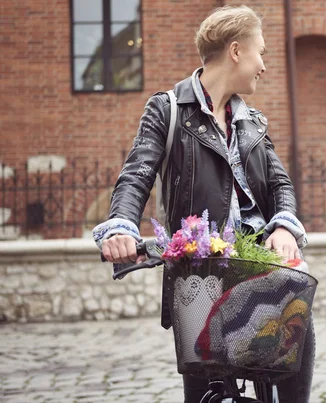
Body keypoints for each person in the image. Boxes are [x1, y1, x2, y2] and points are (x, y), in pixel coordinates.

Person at [92, 6, 313, 403]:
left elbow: (280, 184)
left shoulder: (253, 121)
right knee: (201, 390)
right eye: (260, 52)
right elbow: (137, 174)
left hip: (260, 267)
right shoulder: (169, 110)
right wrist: (122, 226)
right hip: (201, 273)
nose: (263, 65)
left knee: (298, 329)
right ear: (235, 51)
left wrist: (283, 225)